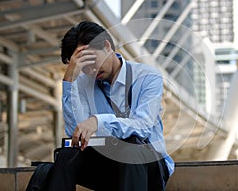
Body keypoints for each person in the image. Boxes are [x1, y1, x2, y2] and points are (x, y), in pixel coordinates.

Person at [46, 21, 174, 191]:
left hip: (148, 164)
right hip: (107, 162)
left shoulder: (147, 77)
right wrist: (69, 80)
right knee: (66, 156)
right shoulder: (84, 83)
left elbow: (143, 126)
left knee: (130, 153)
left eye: (92, 61)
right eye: (84, 67)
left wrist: (99, 121)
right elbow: (74, 133)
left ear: (107, 46)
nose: (91, 71)